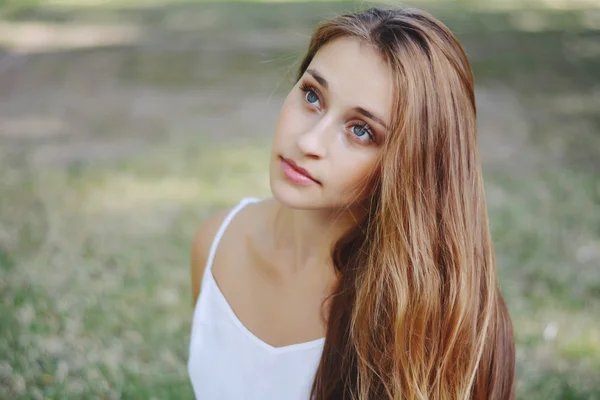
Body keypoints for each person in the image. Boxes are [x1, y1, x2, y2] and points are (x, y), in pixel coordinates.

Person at [188, 6, 516, 400]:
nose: (309, 142)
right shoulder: (215, 245)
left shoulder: (432, 310)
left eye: (360, 130)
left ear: (411, 164)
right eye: (312, 95)